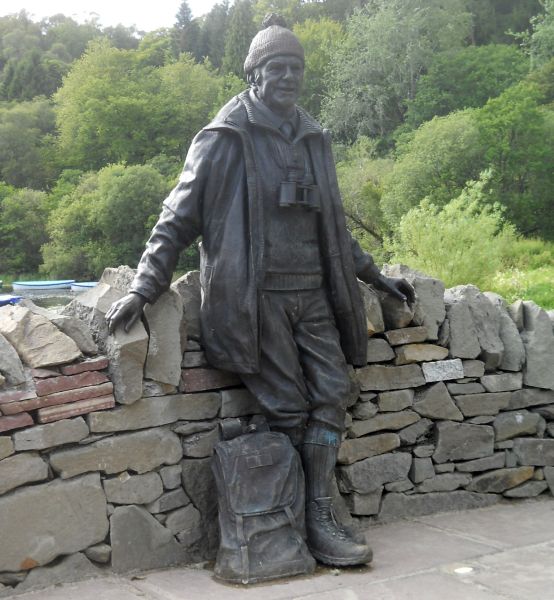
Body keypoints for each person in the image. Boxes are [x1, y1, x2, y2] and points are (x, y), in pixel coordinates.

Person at [106, 14, 414, 567]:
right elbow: (177, 215)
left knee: (331, 394)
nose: (289, 76)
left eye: (296, 67)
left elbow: (333, 225)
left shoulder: (313, 135)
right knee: (288, 406)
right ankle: (293, 522)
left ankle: (319, 515)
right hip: (255, 297)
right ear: (254, 75)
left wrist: (372, 273)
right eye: (278, 67)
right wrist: (146, 284)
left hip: (315, 293)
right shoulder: (226, 135)